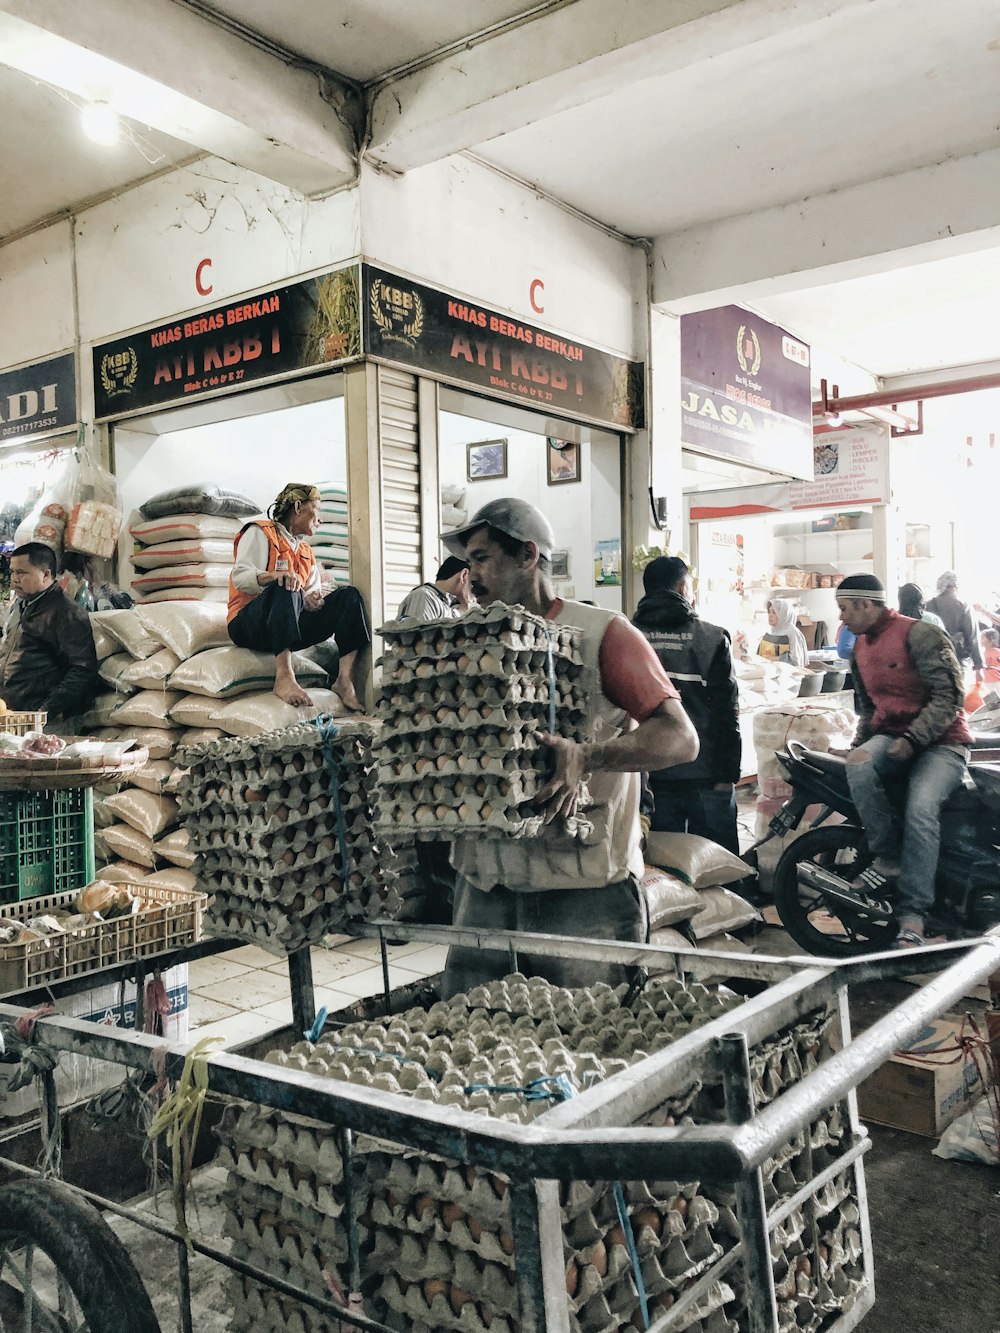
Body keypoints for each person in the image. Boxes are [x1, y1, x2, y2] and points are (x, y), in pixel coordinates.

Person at [438, 497, 699, 996]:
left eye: (481, 558)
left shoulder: (603, 634)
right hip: (485, 886)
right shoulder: (465, 641)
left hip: (583, 892)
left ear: (529, 556)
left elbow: (680, 737)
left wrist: (589, 757)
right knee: (472, 1039)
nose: (470, 576)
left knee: (591, 1040)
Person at [837, 573, 970, 948]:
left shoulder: (921, 634)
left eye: (845, 609)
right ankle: (889, 858)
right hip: (893, 738)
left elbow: (949, 696)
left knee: (921, 807)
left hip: (943, 742)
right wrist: (858, 743)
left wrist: (914, 739)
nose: (842, 619)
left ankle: (914, 915)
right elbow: (867, 709)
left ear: (867, 604)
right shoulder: (859, 648)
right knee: (858, 763)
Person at [227, 482, 371, 711]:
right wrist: (275, 576)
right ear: (297, 507)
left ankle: (344, 680)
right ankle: (284, 676)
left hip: (286, 623)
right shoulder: (260, 532)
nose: (320, 519)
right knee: (288, 583)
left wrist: (312, 600)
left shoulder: (305, 551)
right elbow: (241, 577)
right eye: (317, 509)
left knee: (349, 596)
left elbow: (309, 593)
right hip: (249, 624)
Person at [631, 555, 741, 852]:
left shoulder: (626, 636)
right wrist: (728, 774)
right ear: (682, 588)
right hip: (706, 774)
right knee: (720, 868)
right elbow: (727, 713)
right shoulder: (712, 638)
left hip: (650, 775)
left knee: (664, 870)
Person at [0, 542, 98, 719]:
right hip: (15, 714)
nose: (14, 578)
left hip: (45, 719)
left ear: (46, 575)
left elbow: (82, 669)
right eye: (12, 571)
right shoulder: (20, 606)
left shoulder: (66, 612)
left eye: (21, 573)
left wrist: (46, 711)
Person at [925, 571, 982, 681]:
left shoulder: (928, 605)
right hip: (958, 658)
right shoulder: (963, 605)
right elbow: (973, 636)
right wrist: (979, 666)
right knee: (958, 692)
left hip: (935, 660)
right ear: (955, 586)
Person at [396, 556, 472, 622]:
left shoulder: (451, 604)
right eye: (474, 582)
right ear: (464, 576)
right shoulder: (424, 596)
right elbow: (423, 637)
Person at [758, 598, 809, 666]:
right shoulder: (773, 630)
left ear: (783, 613)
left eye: (774, 612)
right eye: (769, 612)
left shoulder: (792, 632)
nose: (770, 616)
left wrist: (772, 659)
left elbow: (796, 661)